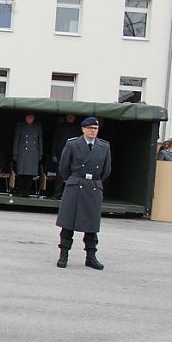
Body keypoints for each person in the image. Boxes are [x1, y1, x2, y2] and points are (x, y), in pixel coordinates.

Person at [55, 116, 112, 270]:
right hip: (76, 186)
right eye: (90, 128)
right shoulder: (73, 144)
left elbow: (106, 170)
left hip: (93, 186)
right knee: (68, 224)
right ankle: (63, 254)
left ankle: (91, 257)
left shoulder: (104, 146)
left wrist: (94, 181)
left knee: (91, 226)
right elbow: (64, 167)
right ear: (83, 129)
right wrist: (74, 180)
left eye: (95, 128)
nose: (93, 131)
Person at [12, 111, 43, 197]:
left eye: (31, 117)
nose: (30, 118)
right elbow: (16, 140)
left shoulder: (38, 126)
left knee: (30, 174)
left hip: (33, 153)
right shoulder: (20, 126)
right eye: (28, 117)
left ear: (34, 118)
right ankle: (20, 191)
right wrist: (15, 153)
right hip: (22, 152)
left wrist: (40, 153)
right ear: (25, 117)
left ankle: (27, 192)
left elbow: (40, 140)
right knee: (21, 174)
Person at [50, 113, 78, 198]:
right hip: (61, 155)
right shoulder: (60, 127)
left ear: (74, 117)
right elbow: (55, 141)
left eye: (71, 116)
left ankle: (68, 195)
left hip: (73, 155)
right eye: (68, 116)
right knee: (59, 175)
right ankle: (57, 194)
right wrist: (54, 154)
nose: (70, 118)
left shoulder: (77, 128)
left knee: (72, 176)